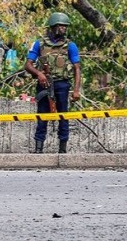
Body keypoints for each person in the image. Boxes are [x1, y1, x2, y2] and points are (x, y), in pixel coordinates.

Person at [24, 12, 81, 154]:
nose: (64, 29)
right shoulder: (39, 43)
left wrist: (76, 90)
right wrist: (39, 74)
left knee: (63, 116)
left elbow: (77, 68)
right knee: (42, 115)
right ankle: (38, 149)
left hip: (62, 83)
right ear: (53, 27)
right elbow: (28, 65)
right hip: (44, 84)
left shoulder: (70, 45)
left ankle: (62, 149)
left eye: (65, 27)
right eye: (61, 26)